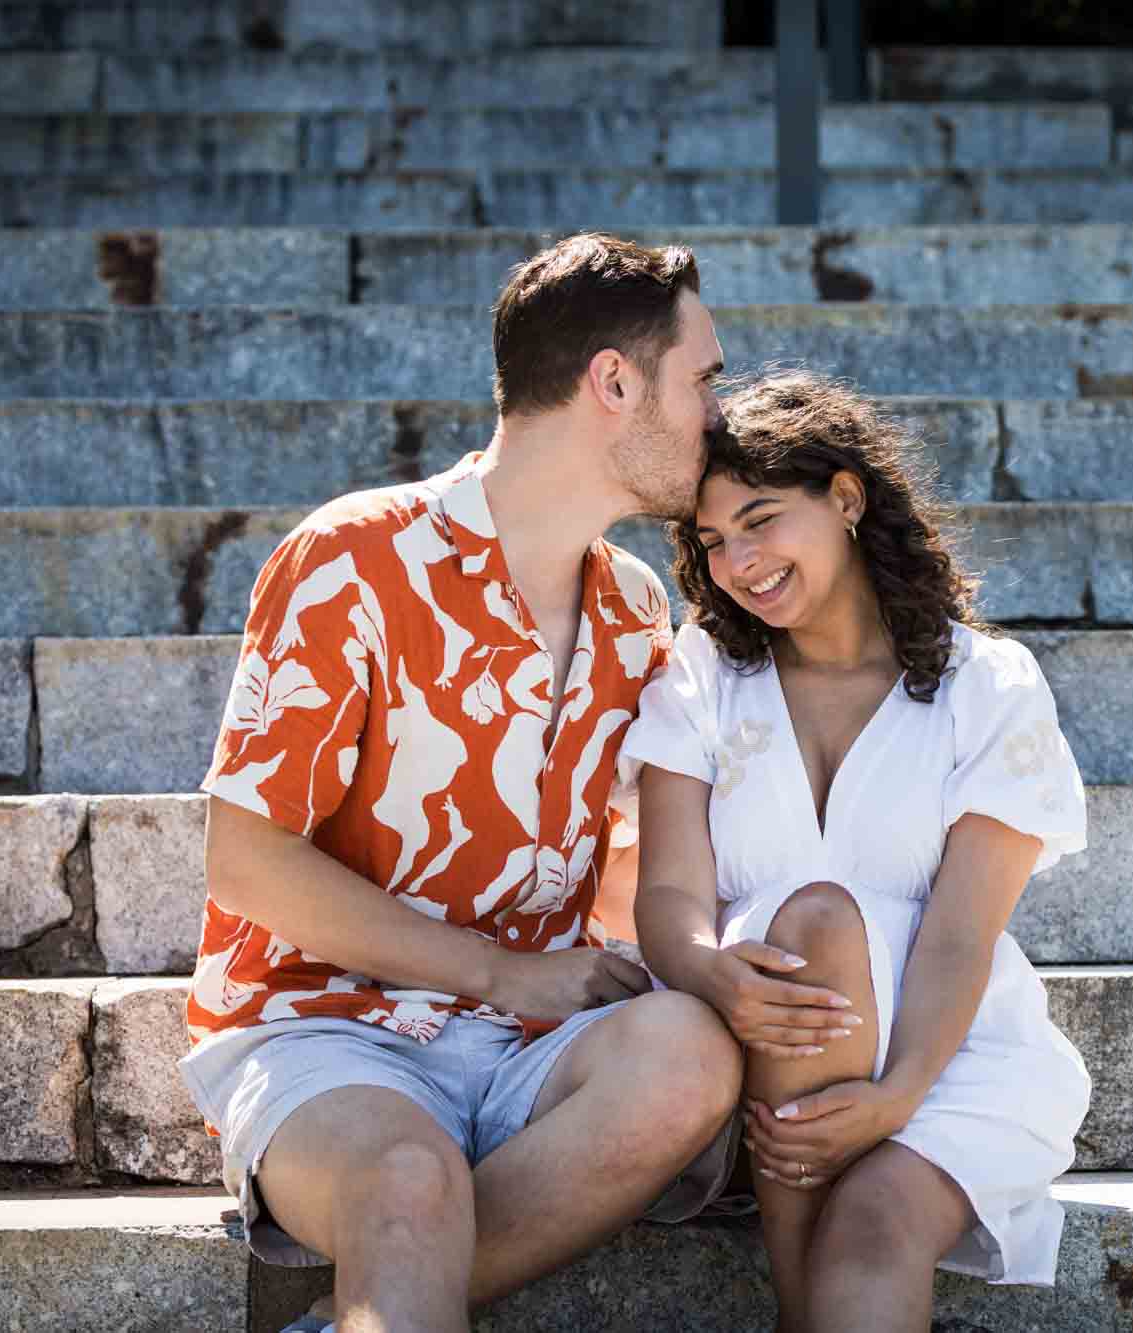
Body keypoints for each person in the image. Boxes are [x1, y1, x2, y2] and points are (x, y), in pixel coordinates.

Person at [176, 234, 848, 1333]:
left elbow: (640, 859)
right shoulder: (353, 560)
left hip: (533, 1046)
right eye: (702, 378)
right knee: (409, 1180)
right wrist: (496, 972)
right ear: (613, 382)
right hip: (324, 1030)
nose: (715, 416)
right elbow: (244, 862)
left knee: (687, 1055)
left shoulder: (636, 609)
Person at [622, 371, 1093, 1331]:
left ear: (844, 497)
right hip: (756, 1041)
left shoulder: (988, 684)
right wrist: (710, 970)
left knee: (876, 1223)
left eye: (760, 520)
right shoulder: (705, 673)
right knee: (818, 924)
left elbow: (962, 934)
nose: (739, 562)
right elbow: (668, 891)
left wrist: (899, 1095)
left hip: (949, 1051)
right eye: (713, 542)